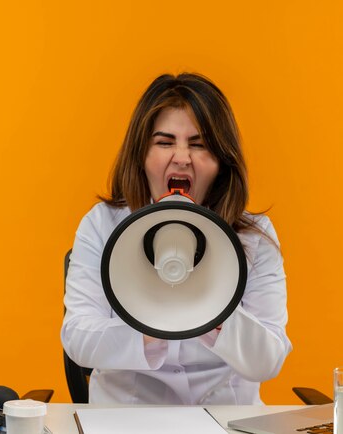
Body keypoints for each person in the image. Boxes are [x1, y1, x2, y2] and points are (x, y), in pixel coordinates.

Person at [61, 73, 291, 405]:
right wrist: (153, 324)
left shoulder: (255, 236)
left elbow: (268, 359)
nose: (182, 157)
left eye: (198, 144)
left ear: (221, 161)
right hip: (126, 419)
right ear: (141, 155)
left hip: (224, 417)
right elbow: (78, 339)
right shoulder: (102, 224)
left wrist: (211, 309)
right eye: (165, 142)